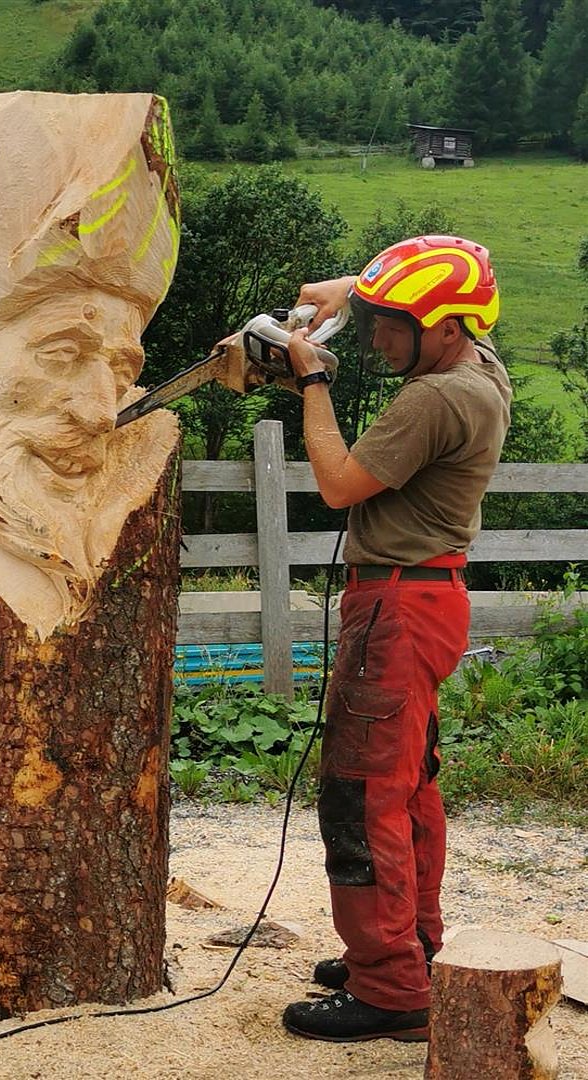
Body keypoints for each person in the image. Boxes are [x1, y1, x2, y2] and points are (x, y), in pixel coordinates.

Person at [281, 235, 512, 1043]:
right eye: (374, 321)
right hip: (428, 599)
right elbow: (347, 284)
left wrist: (311, 378)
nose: (377, 339)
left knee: (361, 791)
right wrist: (344, 296)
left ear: (445, 327)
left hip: (395, 608)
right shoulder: (477, 361)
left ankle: (390, 988)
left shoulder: (434, 400)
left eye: (391, 327)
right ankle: (410, 944)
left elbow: (340, 484)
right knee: (407, 783)